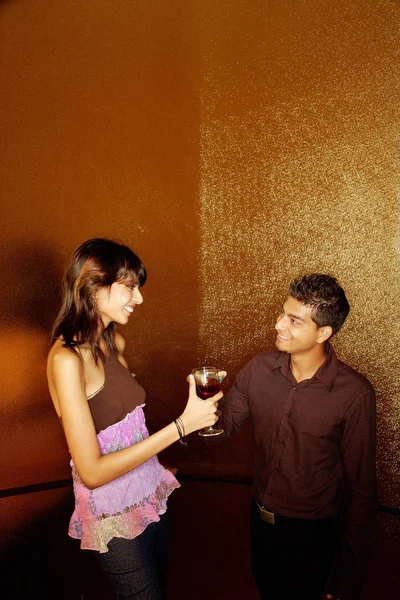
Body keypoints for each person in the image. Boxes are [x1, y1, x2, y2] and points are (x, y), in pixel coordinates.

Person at [47, 237, 222, 600]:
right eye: (129, 287)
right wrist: (181, 427)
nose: (139, 298)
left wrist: (153, 468)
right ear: (93, 286)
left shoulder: (115, 343)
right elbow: (92, 472)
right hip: (112, 515)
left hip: (149, 493)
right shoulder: (66, 361)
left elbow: (126, 430)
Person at [211, 273, 377, 600]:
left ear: (323, 333)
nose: (278, 325)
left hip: (313, 535)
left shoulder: (354, 393)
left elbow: (362, 491)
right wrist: (198, 412)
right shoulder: (259, 369)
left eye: (293, 320)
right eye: (282, 313)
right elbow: (219, 431)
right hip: (260, 523)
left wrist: (345, 584)